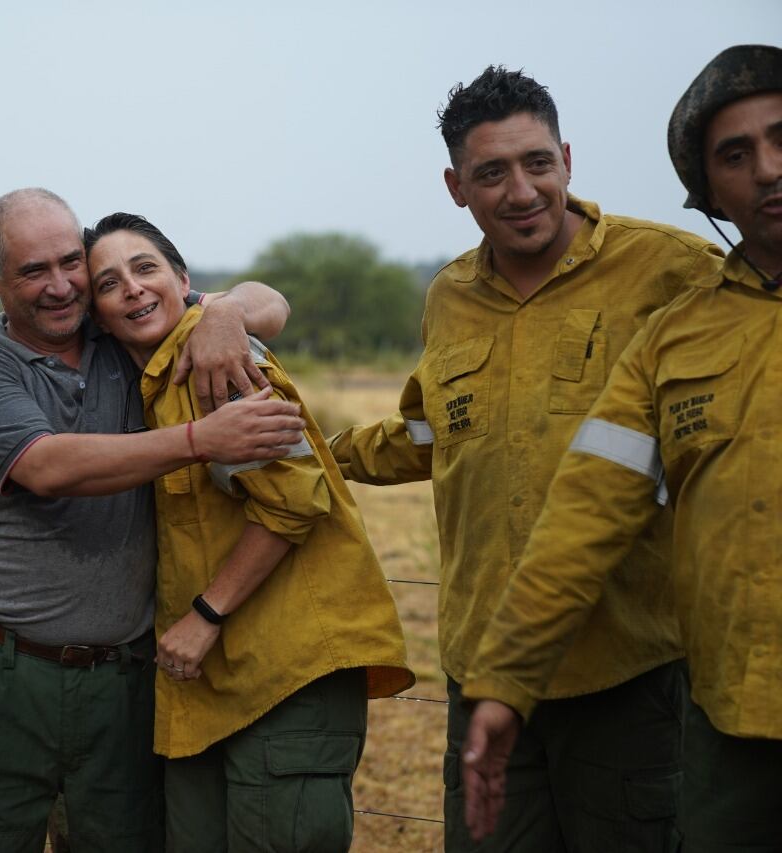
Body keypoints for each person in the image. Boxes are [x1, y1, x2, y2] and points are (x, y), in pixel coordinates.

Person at [324, 66, 724, 850]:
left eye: (537, 163)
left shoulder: (674, 269)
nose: (521, 190)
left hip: (625, 670)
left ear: (568, 157)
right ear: (455, 186)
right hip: (483, 671)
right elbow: (429, 435)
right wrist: (321, 452)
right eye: (491, 173)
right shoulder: (449, 297)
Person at [461, 44, 782, 853]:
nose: (770, 170)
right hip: (737, 722)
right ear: (710, 189)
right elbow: (583, 514)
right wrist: (504, 681)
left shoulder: (662, 268)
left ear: (566, 161)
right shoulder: (678, 334)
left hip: (641, 684)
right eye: (736, 156)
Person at [0, 188, 304, 853]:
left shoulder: (122, 336)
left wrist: (222, 311)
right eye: (32, 272)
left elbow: (271, 302)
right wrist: (201, 438)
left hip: (126, 676)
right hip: (4, 668)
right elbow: (51, 467)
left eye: (70, 262)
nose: (59, 286)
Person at [83, 212, 414, 853]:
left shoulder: (214, 364)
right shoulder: (143, 382)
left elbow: (293, 498)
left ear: (184, 282)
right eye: (109, 282)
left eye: (145, 268)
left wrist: (206, 613)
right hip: (210, 686)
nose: (131, 288)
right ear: (96, 313)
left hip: (286, 669)